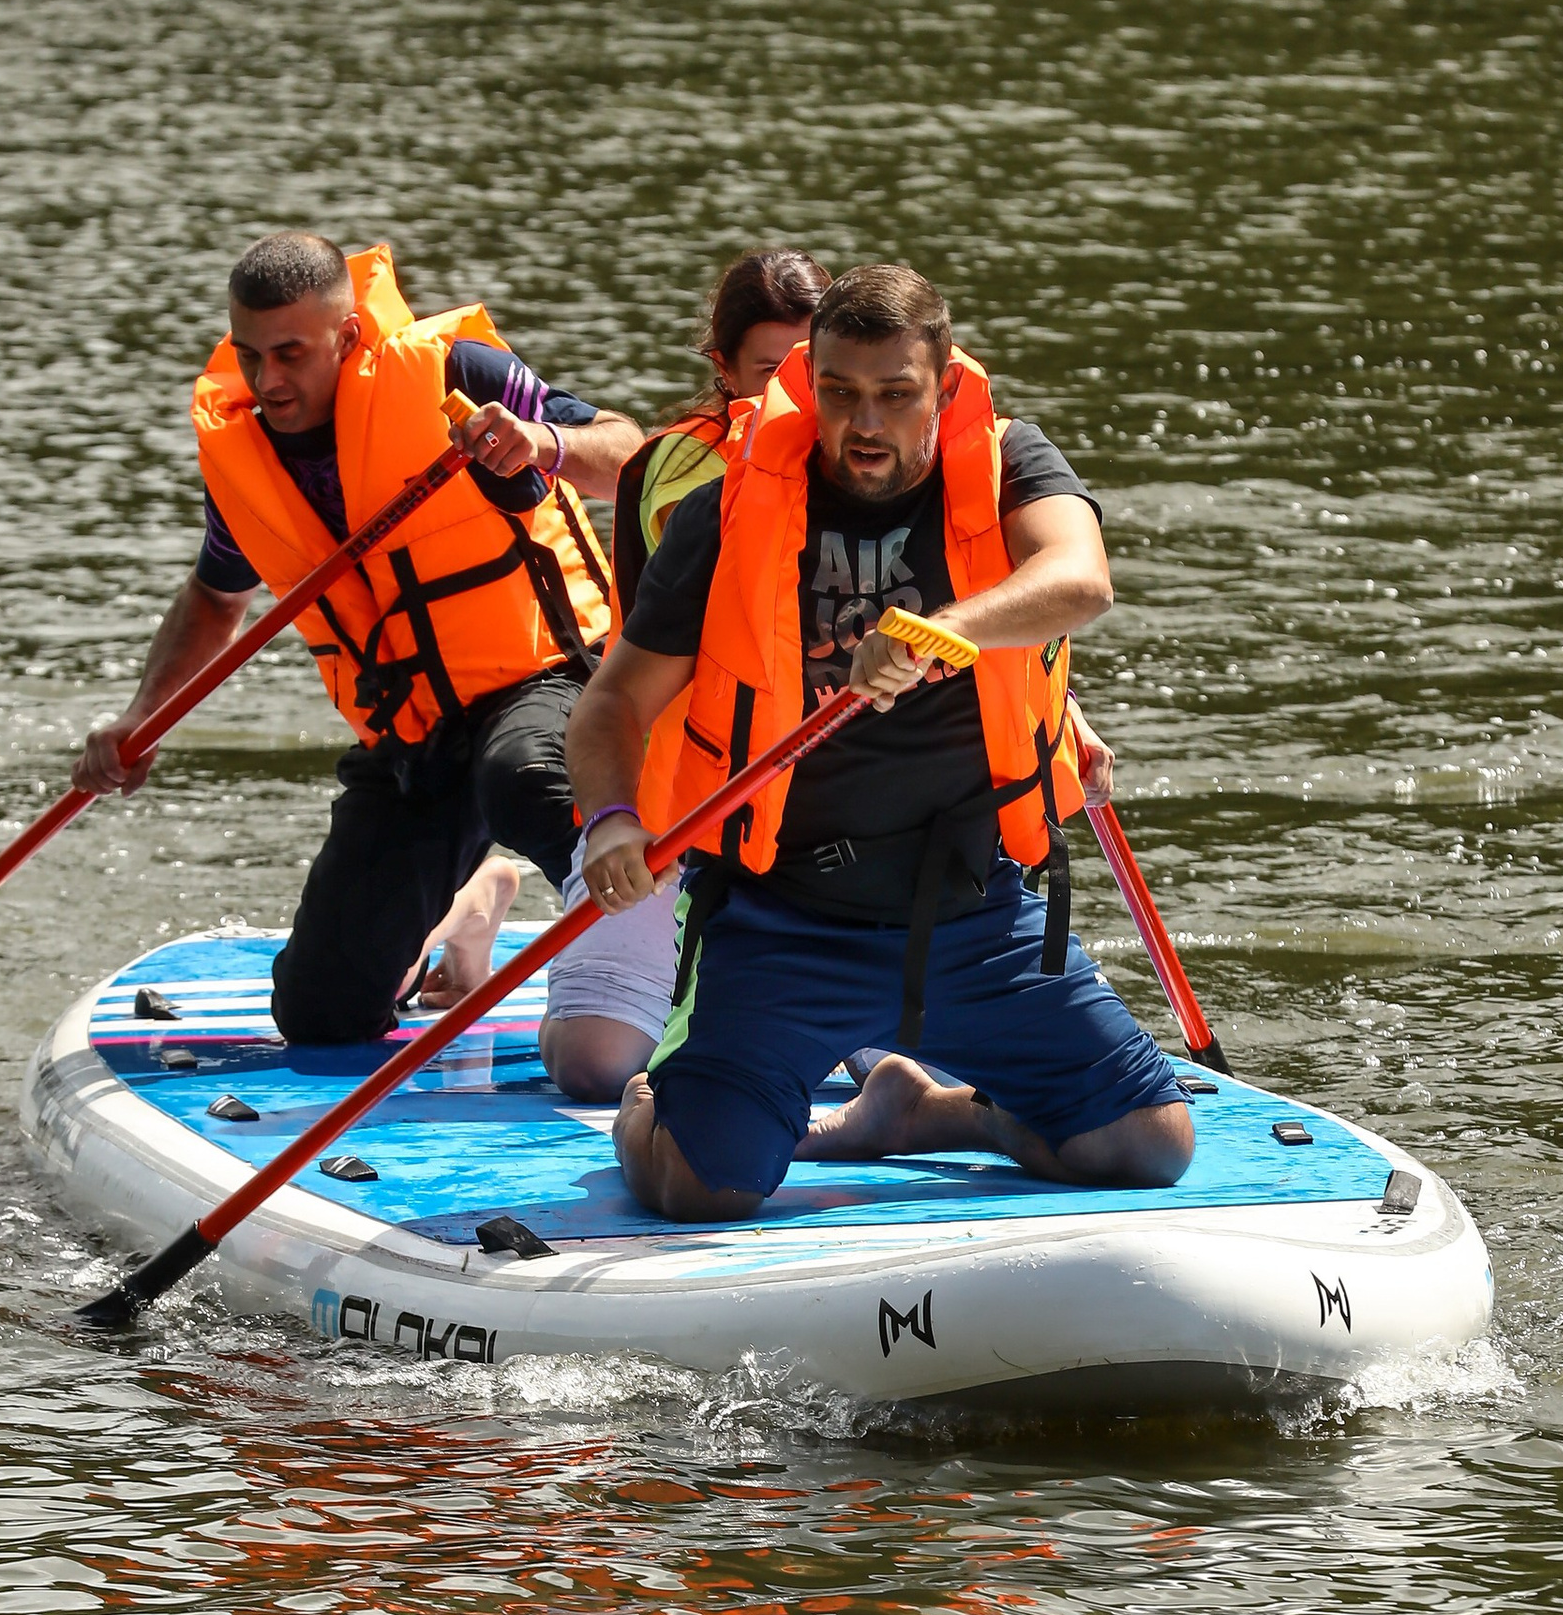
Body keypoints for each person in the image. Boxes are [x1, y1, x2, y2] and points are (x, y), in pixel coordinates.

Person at [563, 261, 1195, 1221]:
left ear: (943, 387)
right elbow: (613, 703)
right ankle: (659, 1100)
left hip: (973, 911)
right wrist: (611, 820)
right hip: (784, 918)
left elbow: (1082, 579)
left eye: (897, 395)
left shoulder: (1012, 462)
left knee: (1148, 1145)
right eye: (840, 393)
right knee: (699, 1189)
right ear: (808, 384)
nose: (865, 424)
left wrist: (937, 631)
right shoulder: (727, 509)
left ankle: (939, 1113)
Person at [75, 233, 640, 1046]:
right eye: (250, 356)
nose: (269, 381)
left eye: (291, 354)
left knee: (519, 776)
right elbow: (215, 594)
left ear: (345, 337)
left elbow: (630, 456)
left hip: (547, 681)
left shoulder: (456, 372)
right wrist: (140, 717)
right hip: (413, 733)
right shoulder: (243, 453)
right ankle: (471, 900)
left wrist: (545, 442)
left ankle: (668, 960)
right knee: (321, 1014)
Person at [414, 248, 835, 1096]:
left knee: (903, 1060)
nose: (797, 400)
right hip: (694, 792)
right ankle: (500, 908)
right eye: (769, 374)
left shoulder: (886, 458)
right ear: (722, 370)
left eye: (814, 374)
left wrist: (1063, 712)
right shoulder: (679, 479)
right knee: (594, 1067)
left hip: (838, 809)